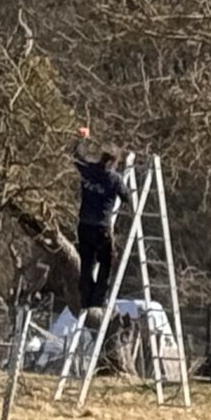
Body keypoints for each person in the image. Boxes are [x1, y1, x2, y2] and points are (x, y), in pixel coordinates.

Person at [72, 127, 129, 312]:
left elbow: (76, 157)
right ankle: (97, 300)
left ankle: (86, 297)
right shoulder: (114, 179)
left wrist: (82, 139)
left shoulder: (89, 170)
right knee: (107, 263)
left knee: (86, 263)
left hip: (84, 225)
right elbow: (127, 197)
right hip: (101, 227)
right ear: (114, 162)